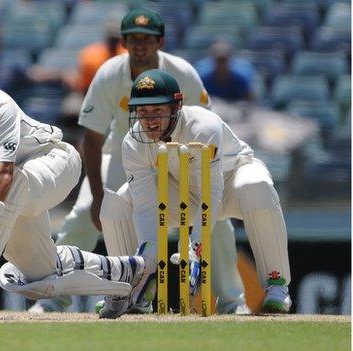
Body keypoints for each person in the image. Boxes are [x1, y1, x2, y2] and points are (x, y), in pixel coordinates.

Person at [30, 8, 249, 315]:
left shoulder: (182, 72)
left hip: (180, 153)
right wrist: (95, 195)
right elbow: (91, 138)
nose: (140, 46)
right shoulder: (109, 73)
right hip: (125, 149)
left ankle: (232, 302)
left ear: (160, 41)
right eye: (133, 39)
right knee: (83, 214)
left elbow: (204, 125)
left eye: (146, 39)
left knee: (215, 217)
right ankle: (54, 297)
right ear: (125, 41)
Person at [0, 51, 149, 319]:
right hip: (6, 190)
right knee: (39, 271)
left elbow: (3, 171)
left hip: (54, 162)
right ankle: (122, 270)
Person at [98, 69, 291, 318]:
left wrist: (195, 248)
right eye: (143, 111)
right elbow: (146, 207)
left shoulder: (203, 126)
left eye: (158, 110)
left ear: (176, 105)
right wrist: (146, 261)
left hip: (231, 184)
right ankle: (128, 289)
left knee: (256, 186)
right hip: (183, 192)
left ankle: (277, 286)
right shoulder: (133, 143)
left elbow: (211, 193)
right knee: (118, 203)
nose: (149, 119)